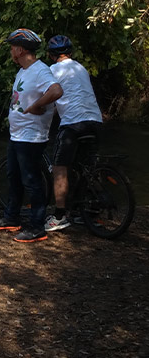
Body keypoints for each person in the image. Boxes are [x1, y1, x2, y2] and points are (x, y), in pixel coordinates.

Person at [0, 29, 63, 243]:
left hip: (32, 137)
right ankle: (11, 218)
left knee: (31, 181)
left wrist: (38, 105)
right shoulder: (22, 71)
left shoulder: (40, 71)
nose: (11, 51)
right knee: (14, 177)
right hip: (17, 136)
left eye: (12, 48)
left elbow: (56, 91)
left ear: (20, 50)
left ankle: (38, 228)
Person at [44, 35, 103, 232]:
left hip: (73, 123)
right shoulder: (80, 68)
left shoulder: (52, 71)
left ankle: (60, 216)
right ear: (70, 52)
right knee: (87, 166)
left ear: (51, 55)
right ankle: (88, 210)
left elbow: (51, 102)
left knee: (59, 167)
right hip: (95, 120)